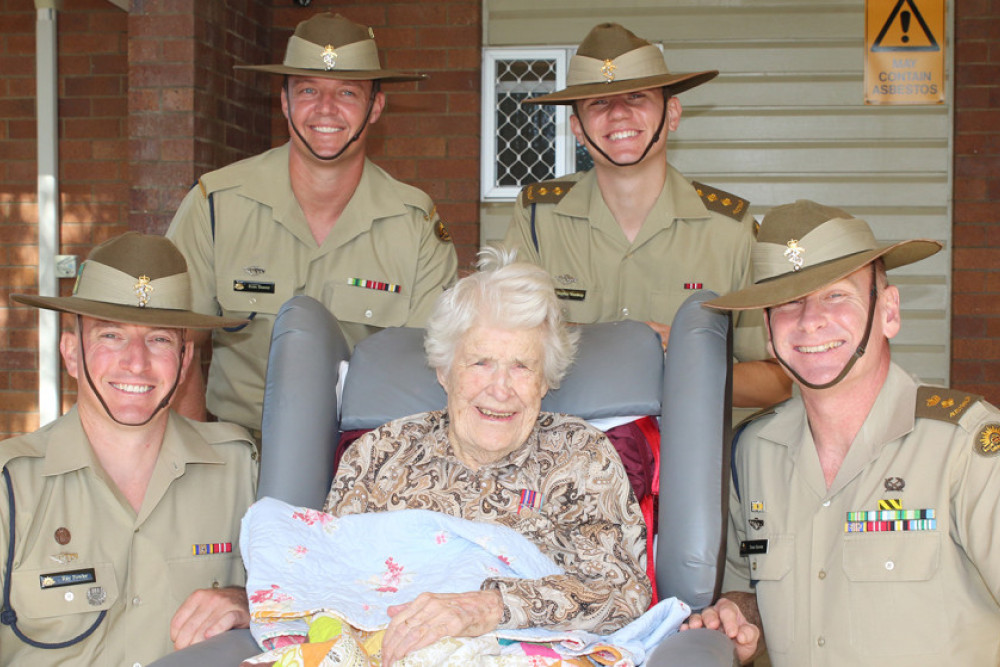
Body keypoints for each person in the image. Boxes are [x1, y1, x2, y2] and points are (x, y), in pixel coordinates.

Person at [684, 200, 1000, 665]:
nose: (810, 319)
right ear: (769, 333)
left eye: (836, 294)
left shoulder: (965, 448)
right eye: (788, 301)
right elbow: (746, 585)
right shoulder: (750, 453)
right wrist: (739, 613)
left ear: (888, 312)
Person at [321, 247, 651, 665]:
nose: (500, 389)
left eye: (521, 367)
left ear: (545, 380)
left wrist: (488, 606)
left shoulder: (579, 457)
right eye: (480, 362)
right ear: (444, 369)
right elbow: (324, 575)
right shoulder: (380, 454)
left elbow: (624, 593)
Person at [166, 12, 459, 434]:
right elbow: (175, 347)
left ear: (375, 106)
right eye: (307, 90)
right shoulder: (216, 207)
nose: (325, 109)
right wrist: (197, 465)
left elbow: (425, 368)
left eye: (347, 92)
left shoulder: (414, 226)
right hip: (242, 451)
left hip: (364, 454)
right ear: (284, 101)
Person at [503, 21, 790, 410]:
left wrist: (691, 361)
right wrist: (613, 342)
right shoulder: (538, 220)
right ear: (578, 129)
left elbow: (778, 380)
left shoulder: (730, 230)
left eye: (636, 96)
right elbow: (500, 348)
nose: (618, 114)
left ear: (672, 113)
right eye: (598, 103)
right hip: (563, 456)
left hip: (684, 456)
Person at [1, 233, 259, 666]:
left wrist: (247, 602)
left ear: (184, 358)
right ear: (71, 354)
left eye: (158, 339)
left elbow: (306, 606)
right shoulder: (12, 486)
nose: (136, 362)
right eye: (111, 336)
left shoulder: (240, 469)